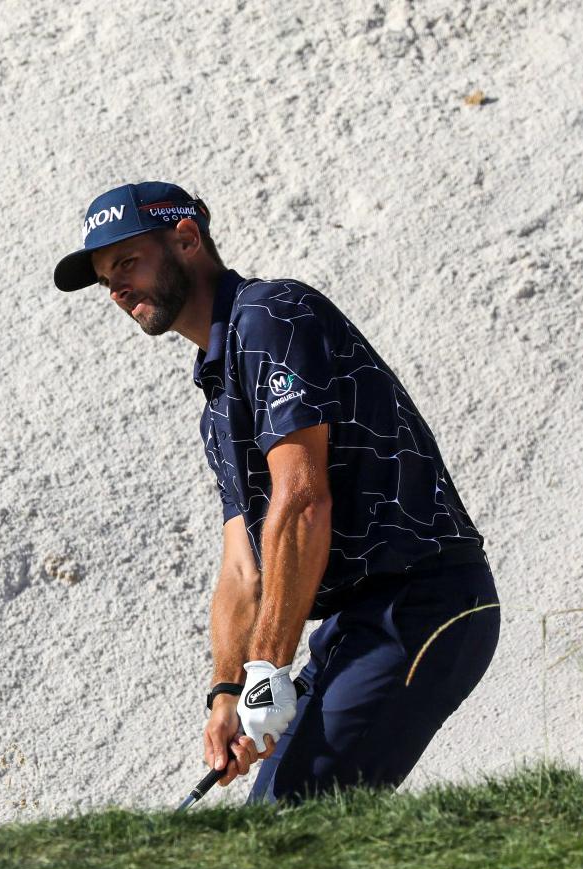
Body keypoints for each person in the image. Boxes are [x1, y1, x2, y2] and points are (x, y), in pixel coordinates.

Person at [53, 181, 501, 804]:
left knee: (286, 823)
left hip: (423, 603)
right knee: (278, 819)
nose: (117, 289)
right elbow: (244, 567)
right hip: (358, 622)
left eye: (126, 262)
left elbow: (301, 498)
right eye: (106, 279)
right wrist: (228, 692)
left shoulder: (270, 315)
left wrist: (267, 671)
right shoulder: (216, 403)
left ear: (186, 240)